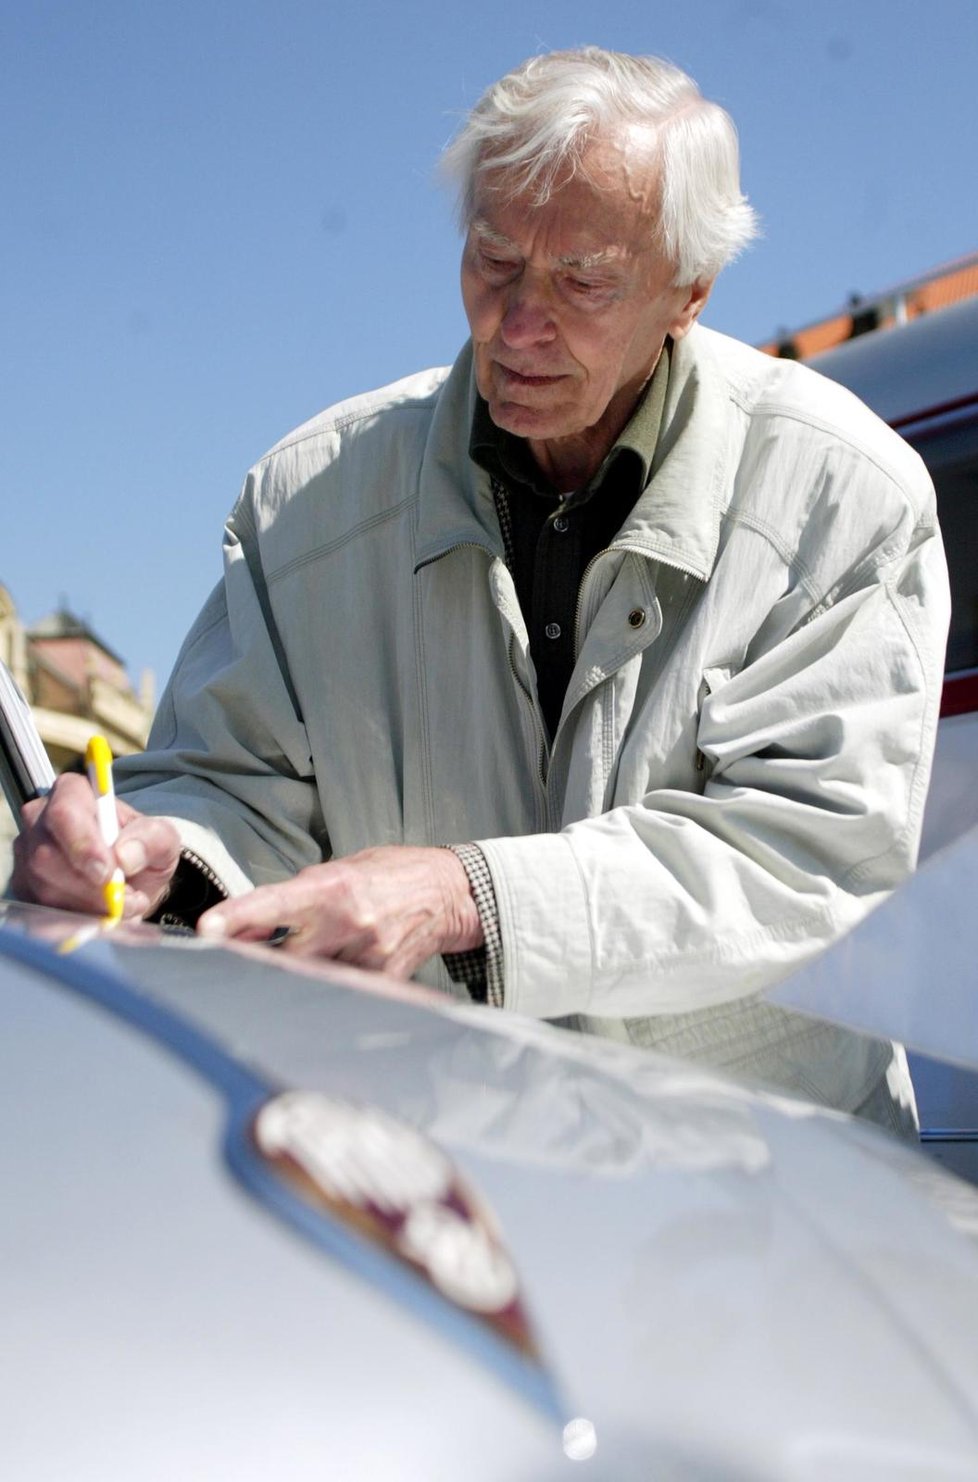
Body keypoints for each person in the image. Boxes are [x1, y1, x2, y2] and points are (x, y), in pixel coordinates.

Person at [13, 48, 949, 1129]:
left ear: (689, 291)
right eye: (493, 261)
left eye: (582, 282)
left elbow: (809, 850)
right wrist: (158, 855)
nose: (516, 324)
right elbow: (224, 785)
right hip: (450, 1196)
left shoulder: (845, 492)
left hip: (769, 1206)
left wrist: (466, 899)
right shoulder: (303, 501)